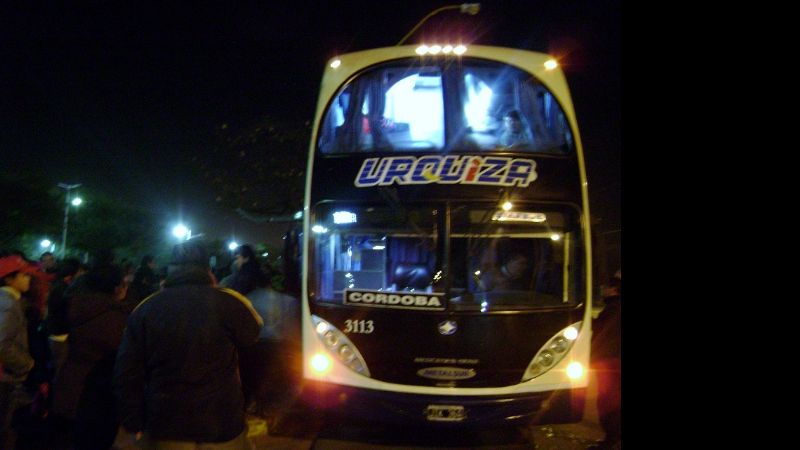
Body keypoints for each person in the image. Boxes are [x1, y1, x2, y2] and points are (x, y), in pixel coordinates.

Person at [113, 239, 263, 449]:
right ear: (207, 268)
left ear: (171, 269)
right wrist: (246, 402)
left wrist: (132, 421)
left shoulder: (147, 308)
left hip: (166, 424)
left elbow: (127, 371)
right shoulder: (232, 303)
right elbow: (255, 353)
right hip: (222, 422)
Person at [51, 262, 129, 450]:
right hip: (100, 399)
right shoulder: (123, 318)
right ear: (118, 288)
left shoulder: (68, 306)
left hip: (66, 390)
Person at [0, 255, 37, 449]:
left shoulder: (7, 300)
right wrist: (26, 364)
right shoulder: (8, 304)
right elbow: (2, 344)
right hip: (5, 377)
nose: (28, 279)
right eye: (23, 275)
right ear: (8, 279)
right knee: (5, 429)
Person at [588, 269, 622, 450]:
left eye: (606, 286)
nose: (602, 289)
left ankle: (612, 439)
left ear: (613, 290)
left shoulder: (613, 309)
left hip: (609, 362)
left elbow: (602, 334)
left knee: (607, 401)